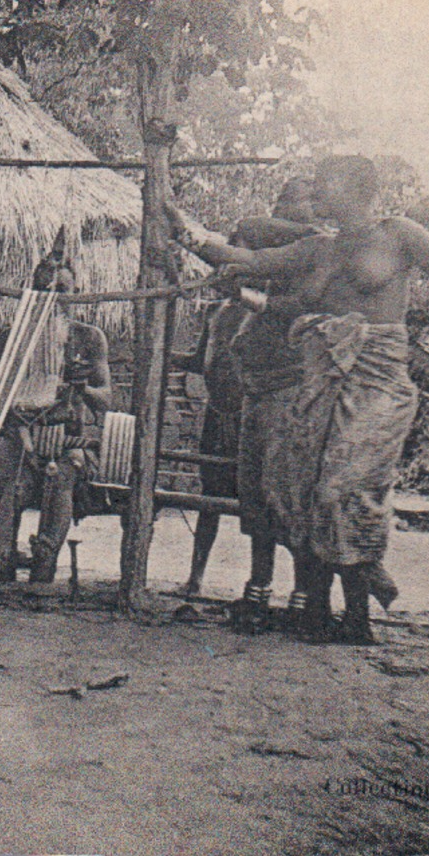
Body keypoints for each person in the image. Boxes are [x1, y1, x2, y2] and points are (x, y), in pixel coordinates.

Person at [171, 156, 429, 644]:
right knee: (309, 489)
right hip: (321, 371)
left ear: (355, 188)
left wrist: (428, 344)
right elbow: (245, 261)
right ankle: (350, 615)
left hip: (378, 375)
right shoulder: (317, 248)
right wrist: (183, 231)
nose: (315, 194)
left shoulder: (398, 233)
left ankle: (364, 592)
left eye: (324, 184)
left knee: (345, 486)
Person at [175, 178, 326, 613]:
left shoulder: (318, 253)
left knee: (291, 497)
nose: (283, 213)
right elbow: (255, 235)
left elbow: (256, 231)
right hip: (253, 396)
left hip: (292, 393)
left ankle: (303, 596)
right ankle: (258, 589)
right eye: (282, 203)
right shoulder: (276, 265)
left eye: (296, 203)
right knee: (255, 499)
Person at [0, 260, 114, 585]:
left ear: (76, 295)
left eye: (62, 291)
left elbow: (106, 400)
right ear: (33, 295)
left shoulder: (89, 339)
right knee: (9, 479)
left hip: (69, 443)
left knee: (62, 478)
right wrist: (16, 405)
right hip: (20, 436)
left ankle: (44, 567)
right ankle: (3, 564)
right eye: (44, 291)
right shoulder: (15, 340)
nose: (53, 299)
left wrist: (81, 388)